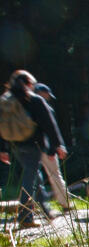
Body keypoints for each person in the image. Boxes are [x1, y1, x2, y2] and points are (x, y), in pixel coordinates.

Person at [0, 70, 68, 228]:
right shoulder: (34, 100)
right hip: (34, 144)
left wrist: (2, 149)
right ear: (29, 84)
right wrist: (56, 146)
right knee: (30, 178)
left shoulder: (5, 101)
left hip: (15, 145)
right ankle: (25, 217)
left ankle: (45, 209)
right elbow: (50, 124)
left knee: (34, 174)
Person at [30, 83, 71, 217]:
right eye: (47, 94)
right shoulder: (45, 108)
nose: (48, 97)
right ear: (41, 93)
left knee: (32, 176)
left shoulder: (26, 107)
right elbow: (51, 130)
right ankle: (65, 204)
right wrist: (54, 148)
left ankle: (33, 205)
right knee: (55, 175)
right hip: (46, 148)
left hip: (29, 147)